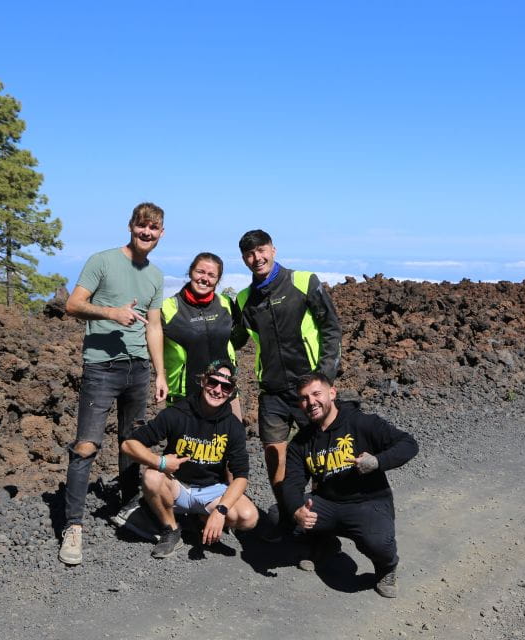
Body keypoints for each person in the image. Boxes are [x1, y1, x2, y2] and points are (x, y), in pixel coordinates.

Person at [59, 202, 168, 566]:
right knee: (87, 445)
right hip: (101, 367)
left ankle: (128, 509)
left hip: (138, 369)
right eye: (142, 227)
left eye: (153, 229)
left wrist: (160, 373)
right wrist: (112, 313)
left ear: (161, 234)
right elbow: (73, 305)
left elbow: (154, 327)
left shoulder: (155, 275)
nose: (147, 233)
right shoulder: (102, 261)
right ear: (131, 226)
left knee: (132, 443)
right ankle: (73, 526)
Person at [234, 229, 342, 538]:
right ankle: (287, 513)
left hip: (309, 389)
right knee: (273, 453)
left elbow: (331, 329)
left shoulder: (303, 282)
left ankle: (323, 517)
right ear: (244, 259)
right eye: (250, 254)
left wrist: (324, 379)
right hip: (272, 391)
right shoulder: (245, 299)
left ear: (274, 249)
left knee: (323, 454)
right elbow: (233, 339)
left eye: (262, 250)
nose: (257, 258)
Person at [283, 372, 418, 598]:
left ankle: (387, 567)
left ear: (332, 393)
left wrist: (377, 462)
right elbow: (292, 482)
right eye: (304, 398)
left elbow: (408, 444)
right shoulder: (301, 441)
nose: (311, 402)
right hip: (328, 503)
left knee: (378, 543)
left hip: (367, 502)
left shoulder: (362, 422)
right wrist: (297, 509)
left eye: (316, 394)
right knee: (281, 513)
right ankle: (325, 542)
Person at [121, 361, 259, 558]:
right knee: (152, 476)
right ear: (203, 381)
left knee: (248, 517)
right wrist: (160, 462)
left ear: (231, 392)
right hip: (177, 486)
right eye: (213, 382)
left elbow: (241, 477)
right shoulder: (177, 413)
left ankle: (201, 519)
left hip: (211, 491)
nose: (218, 390)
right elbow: (128, 445)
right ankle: (171, 528)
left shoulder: (232, 426)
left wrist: (220, 512)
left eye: (225, 387)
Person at [161, 252, 241, 418]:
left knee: (232, 441)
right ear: (190, 272)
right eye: (200, 272)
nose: (205, 278)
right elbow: (151, 343)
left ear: (218, 280)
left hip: (225, 390)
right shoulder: (168, 308)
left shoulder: (226, 304)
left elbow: (239, 336)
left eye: (212, 275)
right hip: (184, 395)